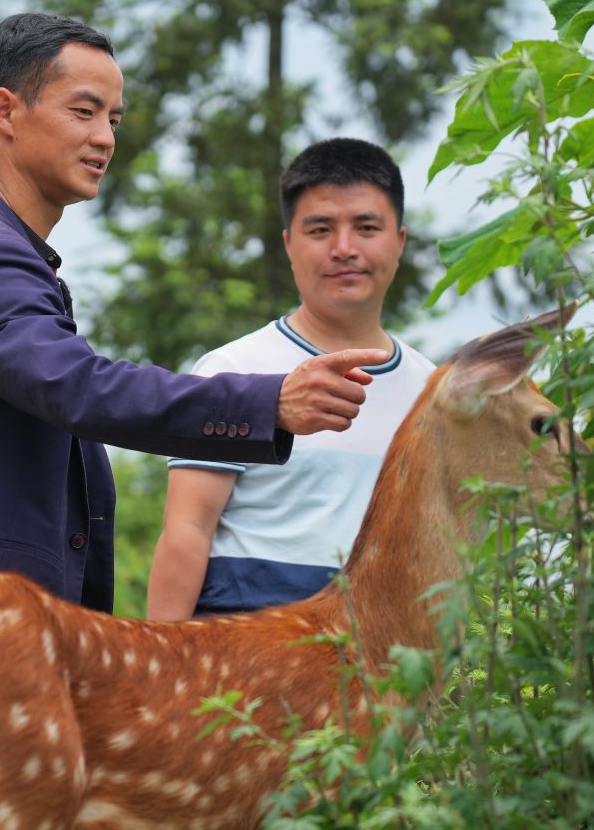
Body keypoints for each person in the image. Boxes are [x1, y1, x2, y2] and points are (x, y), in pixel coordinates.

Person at [0, 14, 390, 620]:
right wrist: (268, 403)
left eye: (113, 118)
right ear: (5, 112)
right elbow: (81, 389)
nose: (106, 137)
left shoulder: (6, 254)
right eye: (84, 112)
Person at [145, 138, 436, 620]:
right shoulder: (233, 372)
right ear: (288, 244)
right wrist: (159, 680)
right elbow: (187, 531)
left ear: (399, 241)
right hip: (240, 670)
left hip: (380, 675)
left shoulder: (432, 394)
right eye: (320, 229)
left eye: (366, 227)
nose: (344, 249)